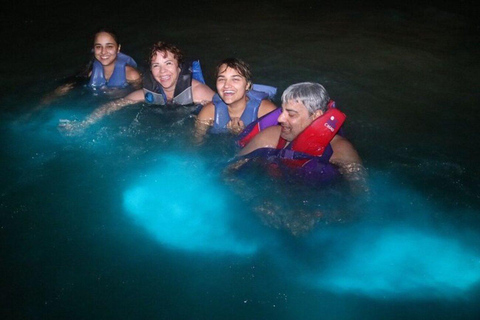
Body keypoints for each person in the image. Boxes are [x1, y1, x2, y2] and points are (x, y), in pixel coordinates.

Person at [59, 41, 214, 133]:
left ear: (179, 67)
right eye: (156, 65)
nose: (163, 71)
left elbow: (228, 107)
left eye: (168, 64)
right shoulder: (151, 92)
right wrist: (84, 124)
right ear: (151, 70)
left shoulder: (198, 92)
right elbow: (115, 104)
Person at [235, 82, 367, 190]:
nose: (280, 118)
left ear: (316, 116)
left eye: (291, 114)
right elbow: (228, 171)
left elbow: (361, 194)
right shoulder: (269, 138)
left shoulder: (339, 150)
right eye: (282, 111)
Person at [41, 28, 141, 105]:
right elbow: (69, 86)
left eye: (109, 46)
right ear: (93, 49)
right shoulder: (90, 72)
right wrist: (45, 102)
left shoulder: (132, 75)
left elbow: (139, 97)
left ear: (118, 48)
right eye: (98, 47)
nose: (103, 52)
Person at [194, 58, 277, 143]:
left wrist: (244, 134)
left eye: (235, 79)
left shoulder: (266, 111)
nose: (227, 85)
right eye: (222, 79)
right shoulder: (209, 112)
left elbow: (275, 146)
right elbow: (196, 145)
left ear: (247, 85)